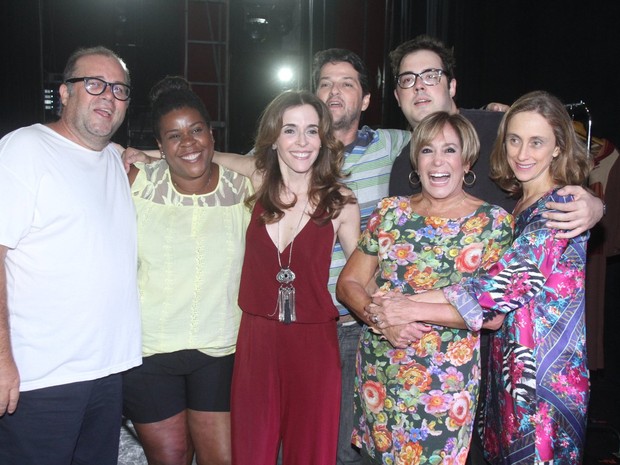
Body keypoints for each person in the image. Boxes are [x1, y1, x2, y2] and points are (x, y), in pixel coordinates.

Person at [385, 35, 602, 464]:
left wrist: (402, 306)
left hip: (542, 387)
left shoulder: (559, 206)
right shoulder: (521, 203)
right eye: (515, 140)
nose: (522, 153)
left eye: (537, 142)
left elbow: (496, 291)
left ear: (558, 145)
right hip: (505, 376)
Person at [336, 111, 514, 464]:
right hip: (381, 373)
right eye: (427, 150)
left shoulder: (492, 224)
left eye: (450, 150)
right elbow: (349, 283)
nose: (438, 161)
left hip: (444, 386)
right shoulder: (390, 212)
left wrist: (408, 309)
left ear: (467, 161)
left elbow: (492, 315)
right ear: (415, 163)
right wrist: (380, 319)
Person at [0, 46, 141, 464]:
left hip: (105, 373)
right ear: (64, 93)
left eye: (119, 89)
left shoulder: (114, 162)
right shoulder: (25, 149)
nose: (107, 96)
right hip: (40, 378)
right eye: (93, 84)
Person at [122, 76, 252, 465]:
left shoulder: (245, 188)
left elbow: (279, 164)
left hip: (221, 347)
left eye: (196, 130)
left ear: (211, 134)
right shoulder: (134, 182)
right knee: (171, 457)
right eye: (174, 136)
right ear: (159, 146)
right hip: (148, 350)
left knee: (222, 458)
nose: (189, 143)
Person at [227, 90, 360, 465]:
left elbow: (364, 275)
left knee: (312, 453)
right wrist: (139, 154)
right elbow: (196, 156)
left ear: (324, 139)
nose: (302, 142)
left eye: (312, 131)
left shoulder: (341, 200)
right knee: (252, 451)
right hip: (256, 340)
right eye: (290, 130)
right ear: (273, 137)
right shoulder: (256, 181)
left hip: (315, 343)